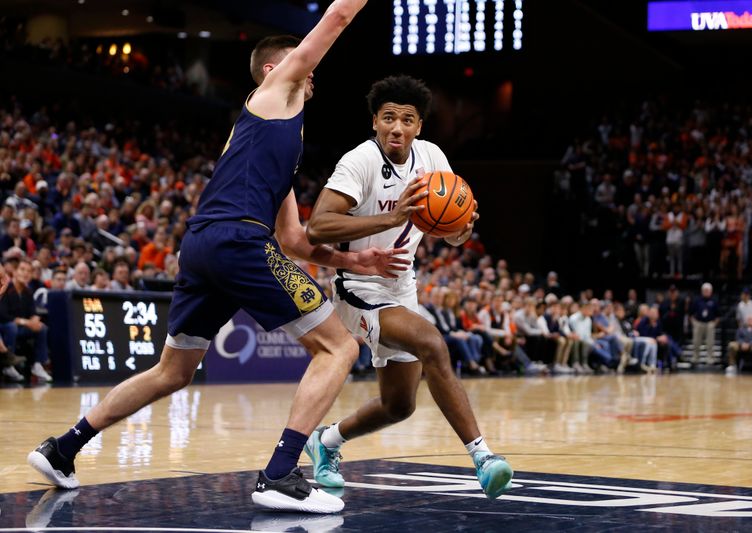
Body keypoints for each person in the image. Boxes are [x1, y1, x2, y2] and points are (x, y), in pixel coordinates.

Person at [27, 1, 405, 515]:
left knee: (173, 371)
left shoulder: (275, 140)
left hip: (205, 245)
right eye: (303, 63)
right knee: (338, 348)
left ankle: (62, 448)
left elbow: (292, 238)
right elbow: (336, 18)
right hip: (237, 242)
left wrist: (355, 263)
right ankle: (279, 474)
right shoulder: (275, 91)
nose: (312, 72)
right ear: (276, 69)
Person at [304, 75, 513, 500]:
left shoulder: (433, 157)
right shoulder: (358, 162)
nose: (397, 127)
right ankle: (483, 456)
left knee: (399, 405)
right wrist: (392, 216)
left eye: (407, 119)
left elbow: (449, 231)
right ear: (375, 123)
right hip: (357, 285)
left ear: (419, 126)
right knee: (433, 343)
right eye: (388, 118)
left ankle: (325, 442)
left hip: (402, 286)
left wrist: (458, 233)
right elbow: (317, 226)